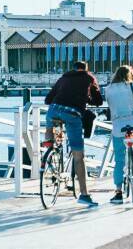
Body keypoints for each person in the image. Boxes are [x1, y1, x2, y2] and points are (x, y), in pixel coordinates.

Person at [44, 61, 103, 207]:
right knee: (79, 156)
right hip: (72, 114)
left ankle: (51, 150)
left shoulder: (63, 78)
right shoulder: (89, 78)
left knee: (53, 127)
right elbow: (99, 101)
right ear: (85, 69)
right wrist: (87, 98)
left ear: (73, 69)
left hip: (53, 111)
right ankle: (84, 194)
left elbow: (47, 99)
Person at [104, 65, 133, 204]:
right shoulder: (131, 85)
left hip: (118, 127)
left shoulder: (108, 89)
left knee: (119, 160)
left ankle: (118, 192)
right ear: (130, 75)